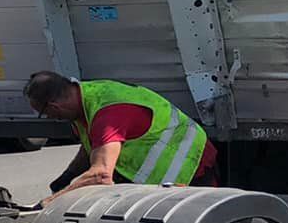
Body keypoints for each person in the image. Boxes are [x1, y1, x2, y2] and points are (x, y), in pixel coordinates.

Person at [23, 70, 219, 202]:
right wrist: (68, 176)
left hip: (190, 165)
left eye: (45, 113)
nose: (51, 118)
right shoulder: (84, 101)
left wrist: (55, 200)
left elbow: (101, 175)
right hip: (162, 177)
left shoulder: (108, 113)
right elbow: (94, 146)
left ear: (54, 106)